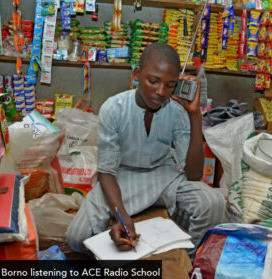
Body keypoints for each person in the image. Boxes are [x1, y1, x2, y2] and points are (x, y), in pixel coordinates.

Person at [66, 42, 226, 256]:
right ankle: (117, 238)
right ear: (137, 74)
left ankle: (185, 259)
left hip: (164, 177)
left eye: (170, 85)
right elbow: (106, 172)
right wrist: (122, 216)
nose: (161, 92)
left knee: (213, 202)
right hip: (120, 177)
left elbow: (194, 175)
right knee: (76, 237)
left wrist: (195, 114)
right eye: (153, 81)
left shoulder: (178, 111)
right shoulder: (113, 108)